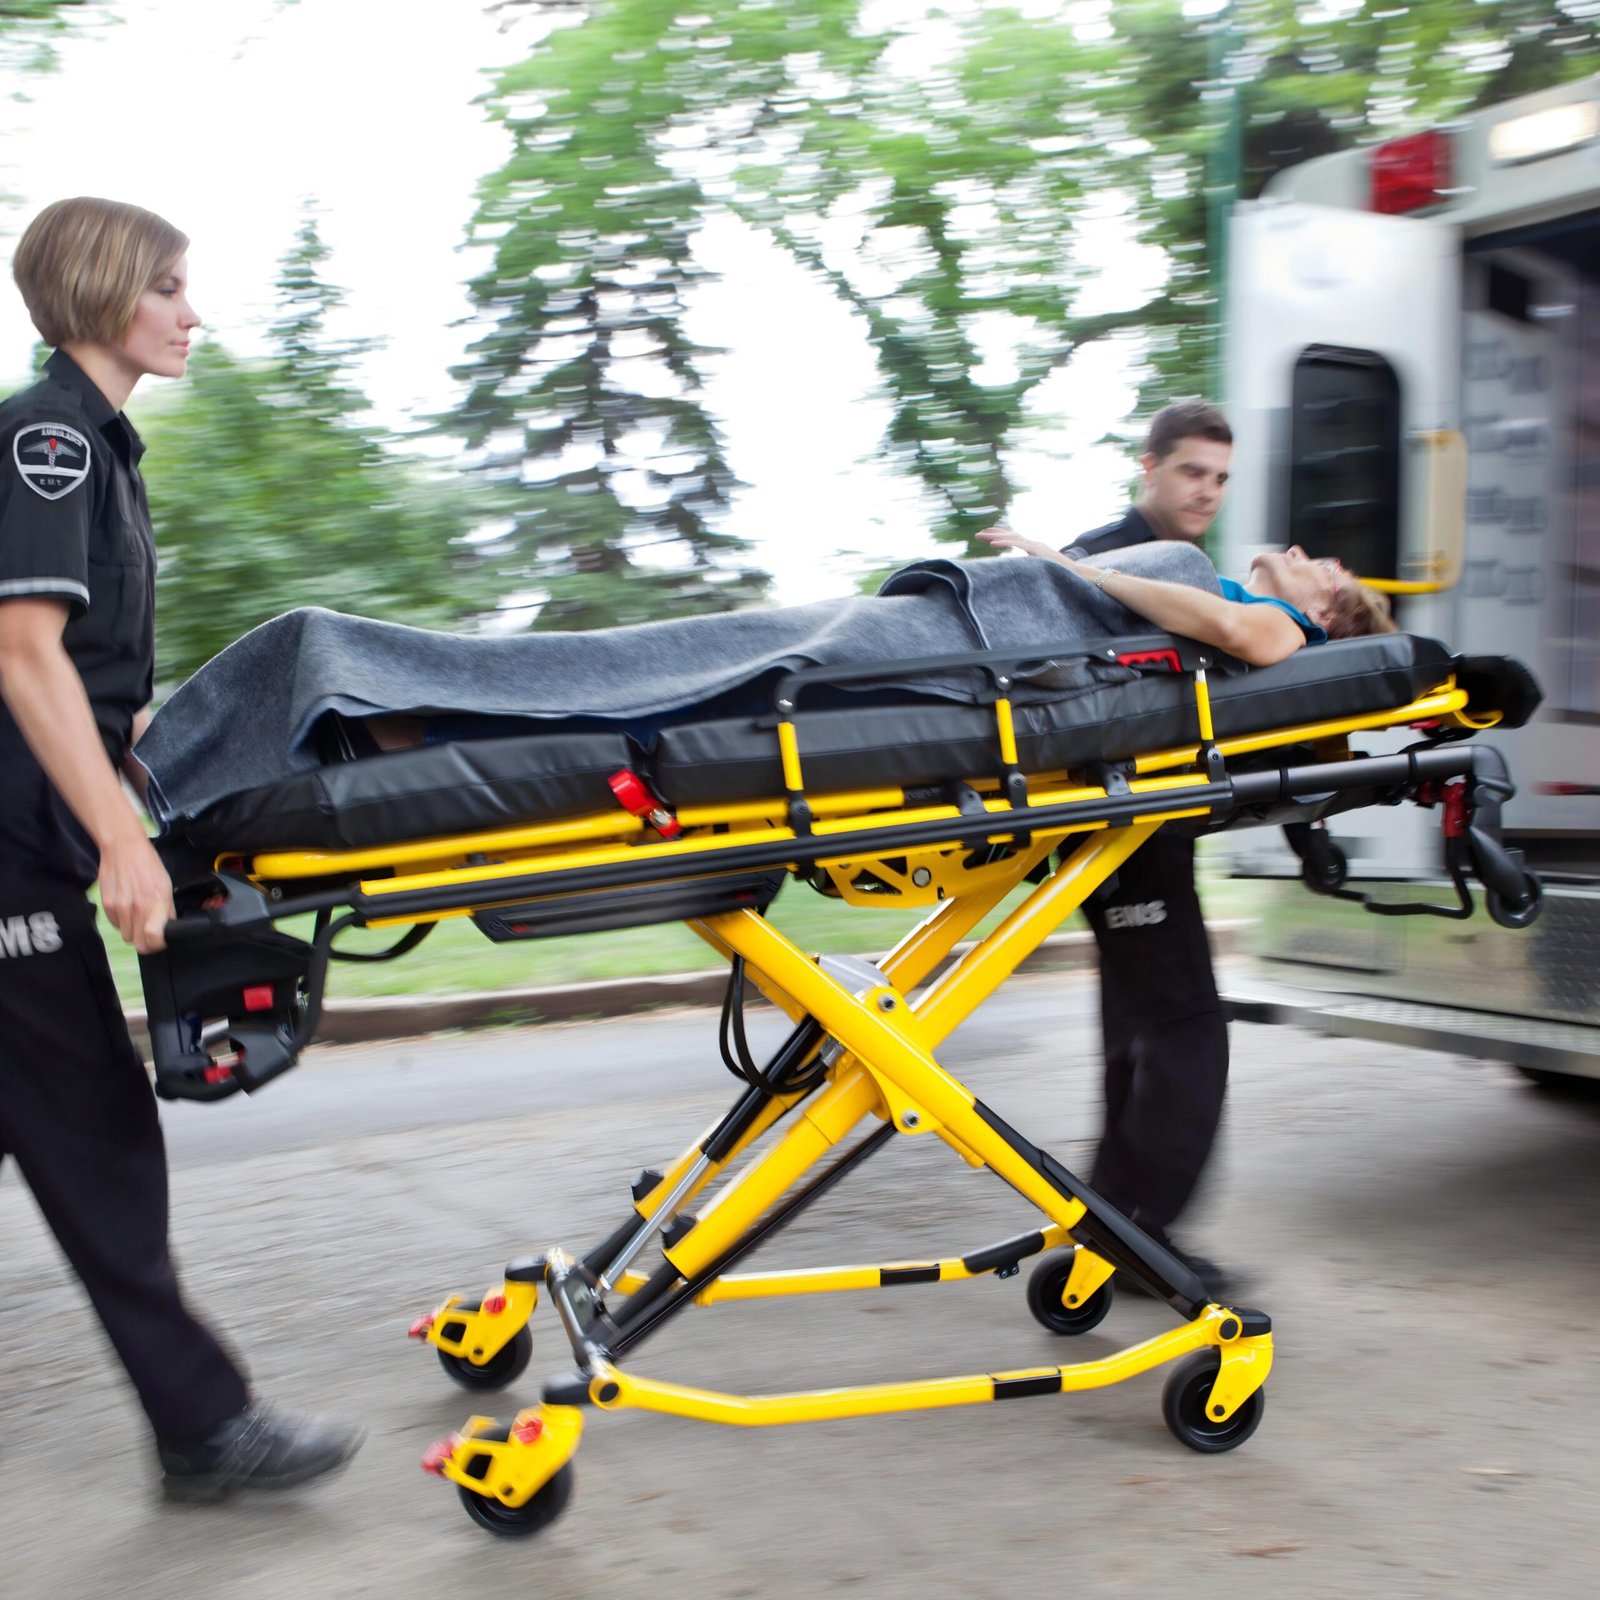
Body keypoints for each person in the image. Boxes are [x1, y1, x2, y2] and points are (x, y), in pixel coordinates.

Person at [0, 197, 362, 1500]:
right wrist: (117, 842)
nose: (191, 311)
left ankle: (198, 1431)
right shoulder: (50, 441)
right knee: (93, 1132)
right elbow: (23, 652)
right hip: (13, 865)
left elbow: (96, 685)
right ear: (105, 296)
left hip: (27, 843)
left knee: (71, 1127)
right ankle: (204, 1432)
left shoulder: (103, 452)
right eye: (168, 286)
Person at [979, 399, 1392, 1300]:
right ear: (1150, 468)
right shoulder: (1122, 559)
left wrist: (1312, 828)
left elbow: (1252, 719)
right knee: (1181, 1028)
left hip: (1146, 823)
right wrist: (1059, 561)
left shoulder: (1193, 574)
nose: (1206, 491)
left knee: (1139, 1026)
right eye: (1191, 472)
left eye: (1219, 477)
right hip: (1119, 823)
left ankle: (1120, 1221)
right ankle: (1141, 1233)